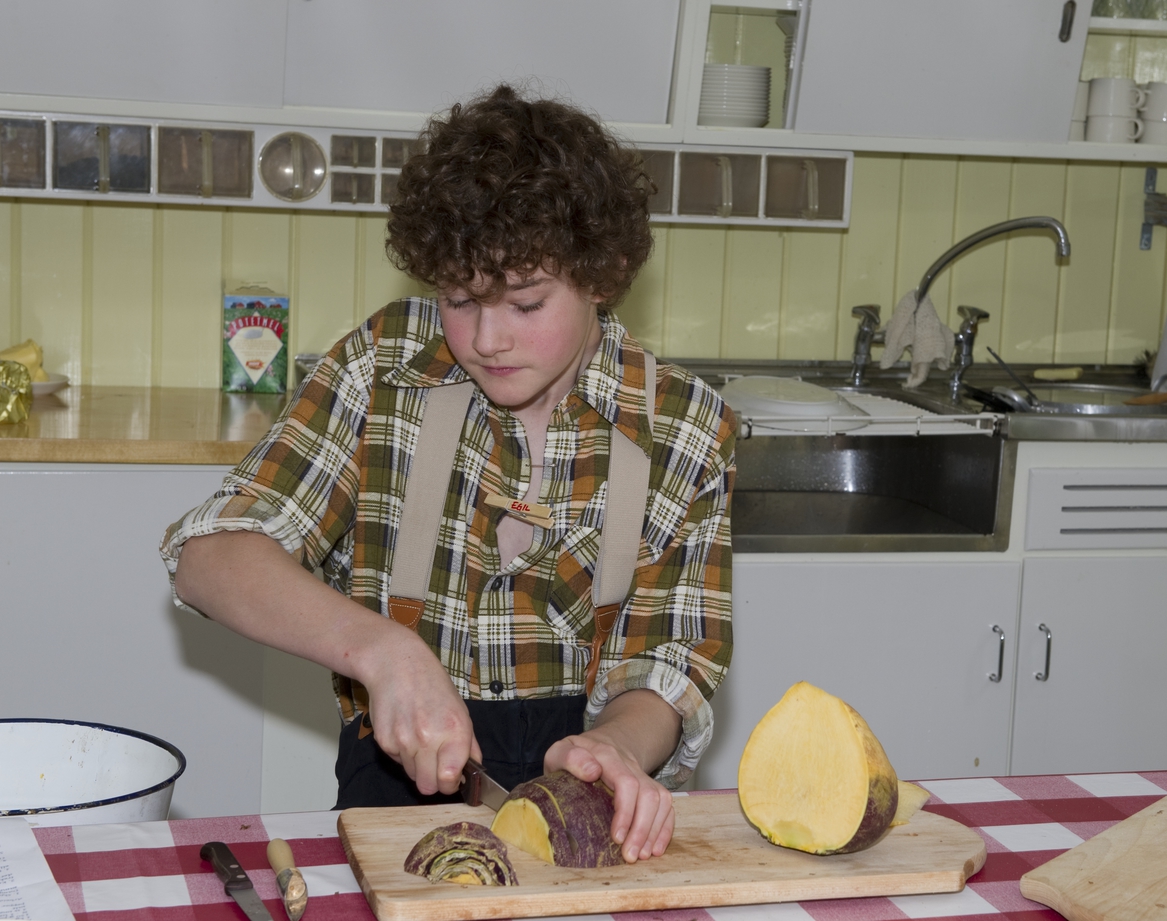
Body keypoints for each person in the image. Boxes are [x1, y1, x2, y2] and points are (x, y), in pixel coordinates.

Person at [161, 84, 736, 864]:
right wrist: (382, 653)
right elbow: (210, 556)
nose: (489, 338)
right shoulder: (384, 369)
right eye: (461, 299)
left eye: (527, 303)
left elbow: (667, 663)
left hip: (588, 817)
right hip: (392, 813)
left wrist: (616, 749)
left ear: (603, 275)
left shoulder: (683, 426)